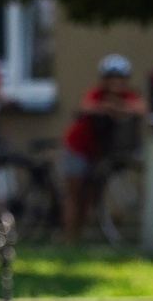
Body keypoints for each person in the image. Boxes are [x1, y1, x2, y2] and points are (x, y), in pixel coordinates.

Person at [61, 53, 148, 241]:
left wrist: (118, 106)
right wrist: (107, 107)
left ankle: (80, 236)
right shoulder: (95, 94)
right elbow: (85, 106)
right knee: (75, 193)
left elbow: (141, 109)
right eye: (111, 78)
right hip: (78, 148)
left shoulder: (128, 96)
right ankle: (68, 238)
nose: (115, 83)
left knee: (91, 195)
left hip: (98, 153)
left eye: (119, 78)